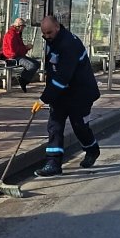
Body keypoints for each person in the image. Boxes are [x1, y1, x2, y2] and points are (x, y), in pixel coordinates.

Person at [31, 15, 101, 177]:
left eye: (49, 32)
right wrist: (50, 94)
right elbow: (53, 71)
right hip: (61, 93)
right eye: (44, 34)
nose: (46, 36)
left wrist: (43, 99)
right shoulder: (52, 41)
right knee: (54, 126)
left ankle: (92, 150)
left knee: (79, 126)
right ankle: (53, 163)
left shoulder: (69, 44)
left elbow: (63, 76)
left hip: (81, 93)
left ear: (57, 27)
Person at [2, 17, 40, 93]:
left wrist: (25, 48)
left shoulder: (16, 34)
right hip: (12, 57)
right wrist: (26, 47)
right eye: (23, 26)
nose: (24, 28)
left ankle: (23, 80)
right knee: (31, 66)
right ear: (19, 26)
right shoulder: (12, 35)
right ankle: (23, 80)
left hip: (17, 55)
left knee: (36, 63)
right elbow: (14, 51)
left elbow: (18, 48)